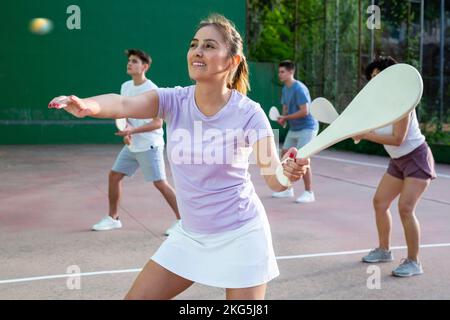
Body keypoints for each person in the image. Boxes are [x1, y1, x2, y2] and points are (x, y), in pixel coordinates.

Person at [49, 14, 309, 300]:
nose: (198, 51)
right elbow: (124, 103)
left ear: (232, 61)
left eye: (210, 46)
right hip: (191, 235)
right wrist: (88, 105)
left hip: (242, 235)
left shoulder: (250, 114)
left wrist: (288, 173)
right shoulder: (174, 100)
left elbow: (274, 178)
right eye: (194, 44)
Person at [354, 56, 437, 277]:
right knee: (380, 202)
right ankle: (384, 250)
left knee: (405, 208)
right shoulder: (379, 104)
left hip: (416, 157)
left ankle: (414, 261)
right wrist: (359, 132)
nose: (374, 80)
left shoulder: (403, 101)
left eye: (378, 76)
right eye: (371, 77)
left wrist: (366, 135)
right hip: (398, 161)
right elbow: (369, 127)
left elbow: (398, 138)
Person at [91, 49, 180, 236]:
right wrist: (127, 131)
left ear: (144, 67)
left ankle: (184, 221)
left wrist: (133, 130)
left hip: (150, 145)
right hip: (133, 145)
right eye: (129, 61)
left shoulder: (153, 90)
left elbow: (157, 122)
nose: (129, 64)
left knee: (160, 183)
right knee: (114, 176)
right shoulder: (125, 87)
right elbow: (125, 114)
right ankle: (113, 218)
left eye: (134, 61)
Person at [272, 60, 319, 203]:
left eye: (282, 72)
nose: (280, 74)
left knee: (302, 158)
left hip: (308, 127)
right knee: (285, 154)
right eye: (279, 72)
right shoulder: (285, 89)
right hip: (294, 128)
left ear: (291, 72)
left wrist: (285, 117)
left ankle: (309, 192)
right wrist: (283, 118)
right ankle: (287, 189)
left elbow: (305, 111)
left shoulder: (299, 89)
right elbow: (285, 108)